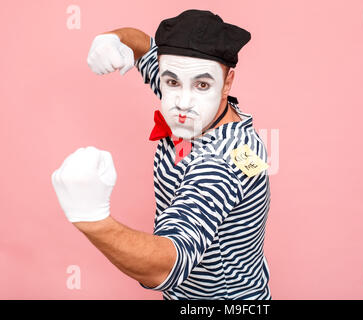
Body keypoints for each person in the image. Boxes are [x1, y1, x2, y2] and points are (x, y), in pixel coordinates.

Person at [52, 9, 271, 300]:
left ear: (227, 82)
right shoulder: (191, 99)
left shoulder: (221, 163)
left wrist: (90, 217)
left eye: (202, 85)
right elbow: (144, 44)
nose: (181, 102)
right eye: (171, 82)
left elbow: (168, 266)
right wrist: (113, 39)